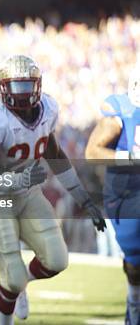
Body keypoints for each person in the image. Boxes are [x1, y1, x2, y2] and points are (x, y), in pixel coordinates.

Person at [0, 55, 105, 325]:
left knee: (57, 261)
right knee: (12, 276)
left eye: (26, 86)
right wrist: (22, 179)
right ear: (3, 89)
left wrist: (83, 198)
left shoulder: (49, 110)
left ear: (38, 85)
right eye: (15, 87)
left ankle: (22, 286)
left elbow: (55, 155)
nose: (22, 95)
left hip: (28, 193)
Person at [86, 65, 140, 325]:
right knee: (135, 262)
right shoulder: (122, 111)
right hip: (127, 193)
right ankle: (134, 303)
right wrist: (129, 157)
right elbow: (92, 152)